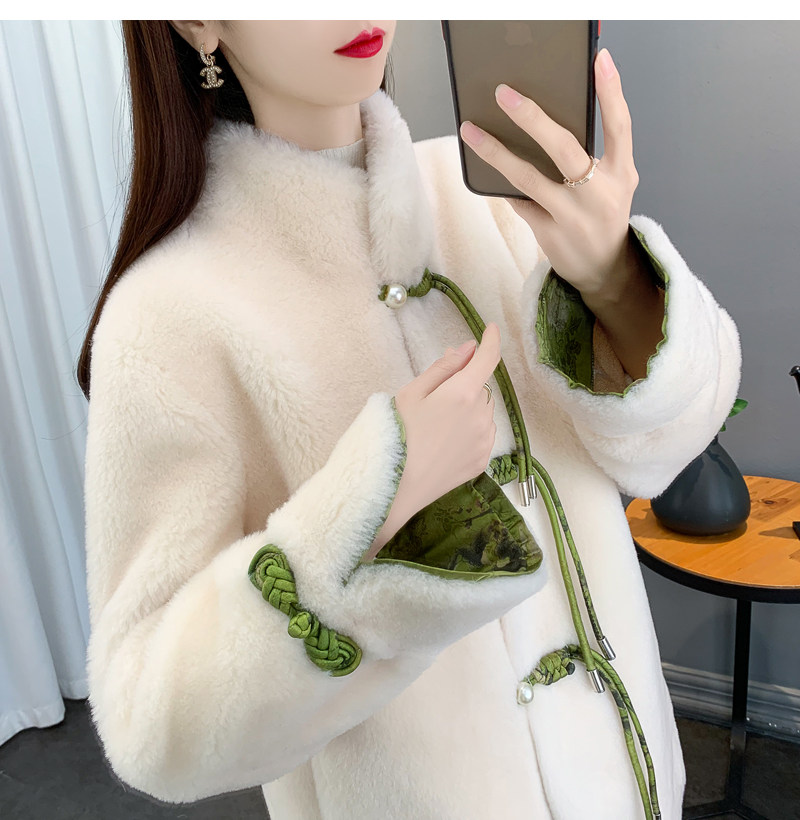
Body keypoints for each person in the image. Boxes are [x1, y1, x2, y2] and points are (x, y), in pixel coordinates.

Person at [79, 20, 741, 820]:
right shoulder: (164, 315)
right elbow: (150, 726)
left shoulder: (493, 200)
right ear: (197, 20)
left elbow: (669, 445)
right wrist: (366, 510)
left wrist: (616, 282)